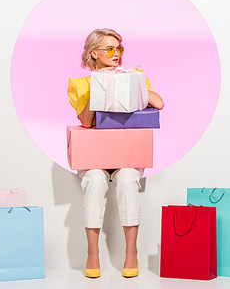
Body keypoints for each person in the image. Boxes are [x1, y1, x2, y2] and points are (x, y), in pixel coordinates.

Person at [67, 29, 164, 278]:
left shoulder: (133, 77)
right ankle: (93, 253)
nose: (116, 54)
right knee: (95, 180)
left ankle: (131, 253)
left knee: (128, 179)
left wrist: (130, 81)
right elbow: (87, 122)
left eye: (119, 49)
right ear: (94, 54)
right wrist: (100, 86)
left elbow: (159, 103)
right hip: (95, 155)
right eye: (109, 49)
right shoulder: (82, 84)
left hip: (126, 152)